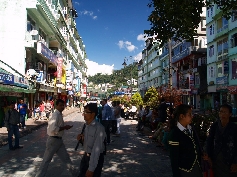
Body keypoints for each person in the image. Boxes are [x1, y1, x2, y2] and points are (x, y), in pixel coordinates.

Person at [35, 99, 77, 177]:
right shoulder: (55, 115)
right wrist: (64, 127)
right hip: (53, 140)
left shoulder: (60, 114)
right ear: (56, 106)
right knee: (46, 160)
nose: (62, 107)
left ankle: (75, 173)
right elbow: (53, 129)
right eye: (60, 105)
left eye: (63, 105)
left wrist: (64, 128)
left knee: (66, 159)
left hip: (59, 141)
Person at [168, 104, 202, 177]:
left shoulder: (191, 128)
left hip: (197, 168)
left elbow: (197, 144)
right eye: (189, 114)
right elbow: (174, 158)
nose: (192, 116)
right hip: (185, 170)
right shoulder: (175, 133)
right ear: (182, 116)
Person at [205, 104, 237, 177]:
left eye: (225, 112)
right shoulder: (214, 126)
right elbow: (209, 141)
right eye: (221, 112)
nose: (222, 114)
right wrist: (208, 156)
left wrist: (235, 162)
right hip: (216, 160)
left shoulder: (234, 128)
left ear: (230, 114)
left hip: (230, 160)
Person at [77, 103, 106, 177]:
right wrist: (81, 140)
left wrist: (91, 169)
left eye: (86, 112)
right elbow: (87, 143)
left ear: (93, 114)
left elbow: (96, 150)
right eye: (84, 111)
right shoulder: (86, 126)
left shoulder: (99, 128)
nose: (84, 114)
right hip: (85, 157)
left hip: (95, 159)